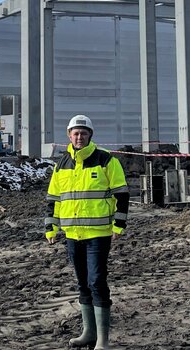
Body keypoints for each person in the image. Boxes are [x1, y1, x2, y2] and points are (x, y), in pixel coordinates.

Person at [45, 115, 129, 350]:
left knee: (97, 282)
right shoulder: (61, 164)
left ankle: (102, 340)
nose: (79, 137)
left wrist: (118, 226)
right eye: (75, 133)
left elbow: (122, 194)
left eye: (83, 133)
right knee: (83, 283)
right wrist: (50, 227)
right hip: (72, 234)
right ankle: (88, 333)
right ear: (69, 135)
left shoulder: (105, 159)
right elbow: (53, 199)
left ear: (90, 135)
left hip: (98, 234)